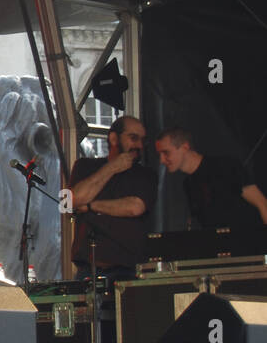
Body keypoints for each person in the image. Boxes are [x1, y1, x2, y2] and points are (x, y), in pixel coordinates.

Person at [68, 115, 157, 277]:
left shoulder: (146, 174)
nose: (139, 145)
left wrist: (90, 206)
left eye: (142, 140)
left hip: (128, 269)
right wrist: (112, 168)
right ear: (114, 138)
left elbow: (135, 207)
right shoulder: (84, 166)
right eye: (133, 138)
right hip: (88, 269)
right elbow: (69, 201)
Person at [155, 128, 267, 230]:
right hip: (218, 246)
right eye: (159, 154)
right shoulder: (188, 184)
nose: (161, 160)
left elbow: (262, 204)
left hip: (247, 243)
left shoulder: (225, 166)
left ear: (185, 147)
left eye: (166, 152)